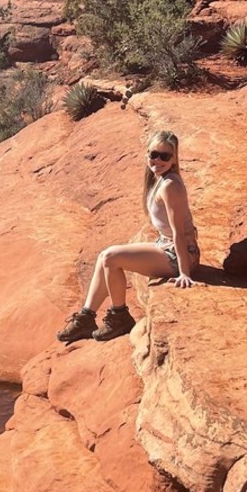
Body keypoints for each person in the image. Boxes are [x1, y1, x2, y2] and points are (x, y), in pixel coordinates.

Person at [57, 129, 200, 343]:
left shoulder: (170, 186)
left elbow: (179, 232)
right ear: (147, 154)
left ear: (174, 159)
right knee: (104, 256)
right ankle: (86, 317)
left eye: (165, 156)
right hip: (166, 246)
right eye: (154, 154)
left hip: (180, 255)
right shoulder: (159, 180)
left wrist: (184, 273)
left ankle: (120, 317)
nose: (158, 160)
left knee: (111, 258)